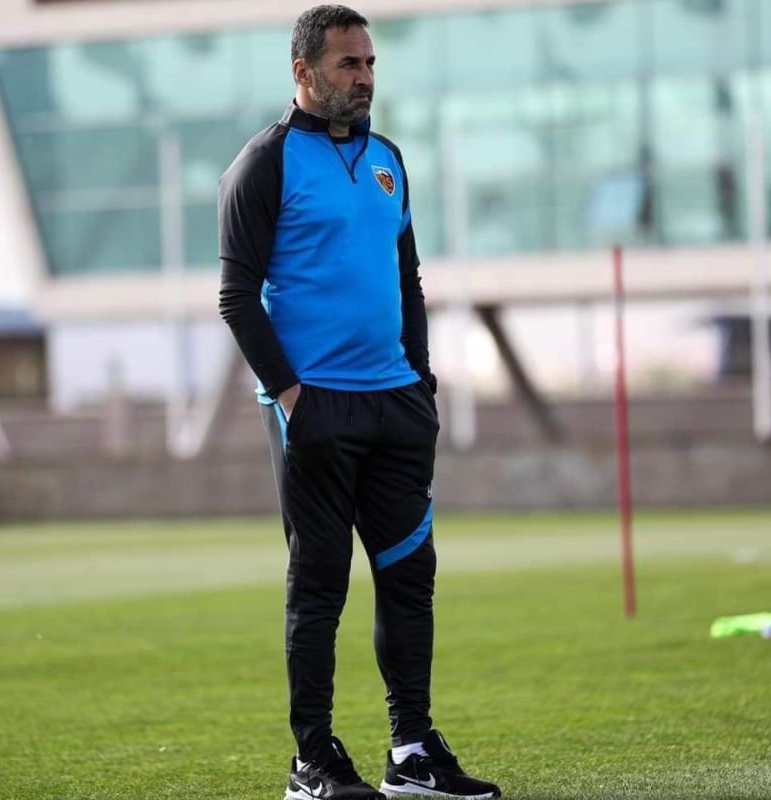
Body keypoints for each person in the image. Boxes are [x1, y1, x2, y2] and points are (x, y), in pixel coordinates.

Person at [218, 6, 501, 799]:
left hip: (395, 408)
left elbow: (407, 280)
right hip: (314, 410)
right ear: (303, 72)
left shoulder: (388, 160)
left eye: (370, 63)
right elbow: (236, 296)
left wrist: (422, 383)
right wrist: (292, 398)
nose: (365, 77)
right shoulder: (264, 164)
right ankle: (312, 761)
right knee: (320, 587)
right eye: (348, 63)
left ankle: (412, 752)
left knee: (410, 578)